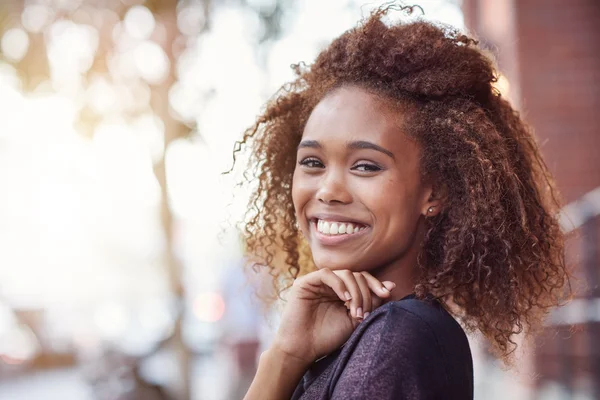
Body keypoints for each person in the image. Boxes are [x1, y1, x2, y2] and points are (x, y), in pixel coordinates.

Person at [231, 5, 570, 400]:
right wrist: (285, 354)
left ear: (434, 193)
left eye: (365, 166)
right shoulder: (364, 332)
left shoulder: (394, 340)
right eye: (312, 162)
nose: (327, 190)